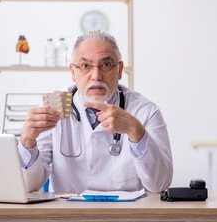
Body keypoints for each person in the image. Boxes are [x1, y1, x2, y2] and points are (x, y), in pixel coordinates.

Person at [18, 31, 173, 193]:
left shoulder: (145, 111)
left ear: (119, 70)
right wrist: (27, 140)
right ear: (73, 72)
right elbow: (29, 185)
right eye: (85, 66)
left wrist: (136, 132)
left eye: (105, 65)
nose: (96, 76)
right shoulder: (53, 107)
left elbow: (159, 184)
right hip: (68, 215)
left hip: (125, 215)